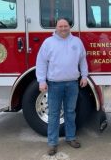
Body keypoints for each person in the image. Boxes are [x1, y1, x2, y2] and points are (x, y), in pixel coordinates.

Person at [36, 18, 88, 156]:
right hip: (54, 84)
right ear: (56, 27)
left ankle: (71, 138)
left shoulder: (77, 42)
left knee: (70, 112)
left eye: (65, 26)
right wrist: (41, 80)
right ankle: (52, 143)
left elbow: (83, 59)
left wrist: (84, 76)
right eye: (61, 26)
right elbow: (41, 62)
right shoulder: (48, 42)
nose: (63, 28)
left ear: (69, 27)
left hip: (72, 83)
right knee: (53, 114)